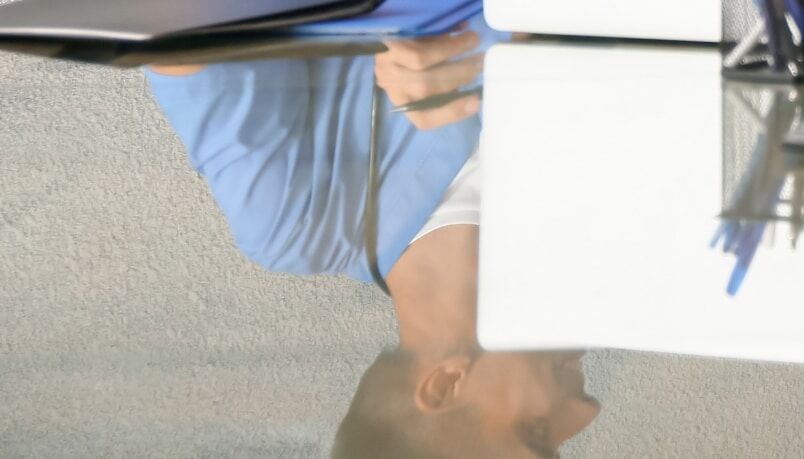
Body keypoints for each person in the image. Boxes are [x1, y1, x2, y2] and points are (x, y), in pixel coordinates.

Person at [146, 36, 602, 455]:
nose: (587, 410)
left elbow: (174, 2)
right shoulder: (602, 241)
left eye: (535, 431)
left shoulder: (300, 217)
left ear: (445, 385)